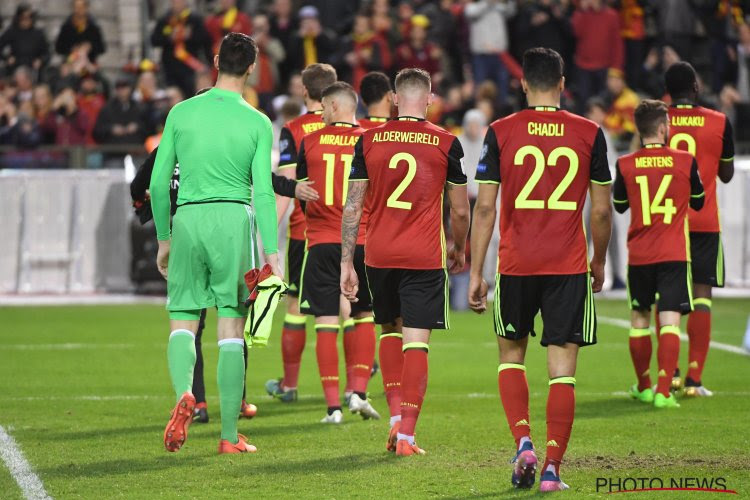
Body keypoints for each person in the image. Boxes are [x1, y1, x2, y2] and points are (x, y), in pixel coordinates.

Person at [469, 48, 613, 491]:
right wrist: (599, 261)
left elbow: (487, 205)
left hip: (516, 264)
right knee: (562, 369)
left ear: (524, 84)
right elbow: (603, 212)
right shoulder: (590, 133)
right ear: (563, 83)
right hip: (567, 266)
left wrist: (476, 272)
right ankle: (551, 467)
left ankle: (523, 441)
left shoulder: (501, 131)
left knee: (511, 356)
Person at [130, 89, 318, 423]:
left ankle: (194, 400)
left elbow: (145, 184)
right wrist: (275, 241)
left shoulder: (175, 142)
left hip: (185, 228)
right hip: (229, 229)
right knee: (232, 321)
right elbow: (263, 183)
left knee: (190, 323)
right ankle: (236, 408)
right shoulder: (229, 145)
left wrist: (153, 219)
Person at [149, 32, 281, 455]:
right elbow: (263, 192)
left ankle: (185, 393)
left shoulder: (181, 112)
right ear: (252, 68)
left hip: (188, 217)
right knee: (230, 329)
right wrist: (272, 253)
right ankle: (227, 436)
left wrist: (164, 239)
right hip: (233, 221)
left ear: (215, 60)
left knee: (183, 319)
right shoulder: (258, 122)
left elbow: (155, 185)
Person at [341, 68, 470, 456]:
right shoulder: (447, 143)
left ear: (396, 99)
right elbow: (461, 211)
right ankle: (408, 437)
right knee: (417, 342)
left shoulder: (368, 140)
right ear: (429, 99)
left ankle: (396, 418)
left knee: (389, 332)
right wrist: (458, 247)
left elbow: (353, 204)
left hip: (379, 254)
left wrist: (348, 261)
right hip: (423, 255)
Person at [295, 82, 379, 423]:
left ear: (332, 106)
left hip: (321, 242)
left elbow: (303, 192)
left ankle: (332, 408)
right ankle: (358, 391)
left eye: (324, 107)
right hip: (363, 241)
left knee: (326, 322)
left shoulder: (310, 141)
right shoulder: (372, 139)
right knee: (365, 315)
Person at [613, 99, 705, 409]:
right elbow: (699, 200)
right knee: (670, 321)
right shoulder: (685, 160)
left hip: (639, 254)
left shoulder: (625, 164)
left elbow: (620, 205)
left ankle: (644, 386)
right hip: (674, 253)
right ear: (664, 128)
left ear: (639, 131)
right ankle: (664, 392)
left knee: (639, 318)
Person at [265, 63, 337, 403]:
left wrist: (268, 235)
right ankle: (356, 384)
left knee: (295, 304)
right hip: (351, 231)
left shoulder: (293, 129)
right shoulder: (353, 127)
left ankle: (290, 385)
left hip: (305, 234)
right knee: (353, 306)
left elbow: (286, 185)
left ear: (304, 92)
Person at [662, 62, 735, 396]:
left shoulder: (657, 119)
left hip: (667, 223)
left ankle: (671, 373)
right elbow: (727, 174)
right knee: (702, 297)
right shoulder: (719, 121)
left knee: (668, 299)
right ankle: (694, 380)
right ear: (695, 86)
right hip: (704, 220)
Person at [151, 0, 213, 98]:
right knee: (173, 96)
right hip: (170, 67)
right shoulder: (165, 20)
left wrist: (190, 36)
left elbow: (205, 39)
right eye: (175, 1)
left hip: (190, 67)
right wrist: (169, 38)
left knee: (191, 96)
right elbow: (154, 40)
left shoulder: (194, 19)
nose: (177, 3)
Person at [571, 0, 624, 112]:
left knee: (603, 105)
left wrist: (616, 71)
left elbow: (617, 44)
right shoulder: (581, 13)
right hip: (583, 67)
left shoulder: (611, 15)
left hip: (604, 68)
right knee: (583, 104)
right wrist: (582, 10)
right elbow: (576, 32)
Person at [464, 0, 517, 104]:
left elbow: (511, 11)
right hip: (482, 56)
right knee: (480, 89)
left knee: (502, 89)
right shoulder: (473, 7)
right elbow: (470, 13)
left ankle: (501, 115)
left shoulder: (499, 7)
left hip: (500, 56)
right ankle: (481, 114)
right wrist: (488, 2)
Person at [0, 4, 49, 75]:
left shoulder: (38, 33)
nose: (27, 20)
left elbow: (47, 53)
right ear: (18, 17)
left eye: (30, 17)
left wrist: (41, 60)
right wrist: (7, 58)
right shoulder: (11, 32)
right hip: (15, 67)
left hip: (33, 68)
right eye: (23, 17)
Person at [55, 0, 106, 64]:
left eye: (81, 7)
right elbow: (58, 48)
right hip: (70, 62)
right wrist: (72, 48)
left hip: (88, 62)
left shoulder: (93, 27)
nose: (79, 10)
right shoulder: (66, 26)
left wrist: (90, 47)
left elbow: (102, 48)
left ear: (86, 8)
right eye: (76, 7)